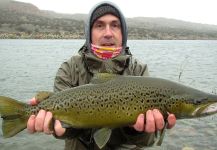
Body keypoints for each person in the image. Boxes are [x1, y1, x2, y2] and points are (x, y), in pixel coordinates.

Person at [27, 2, 176, 150]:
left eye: (115, 25)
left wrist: (136, 130)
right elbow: (63, 127)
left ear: (123, 33)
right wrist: (63, 129)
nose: (108, 33)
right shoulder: (69, 69)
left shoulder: (139, 71)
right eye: (99, 25)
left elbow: (147, 142)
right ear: (89, 33)